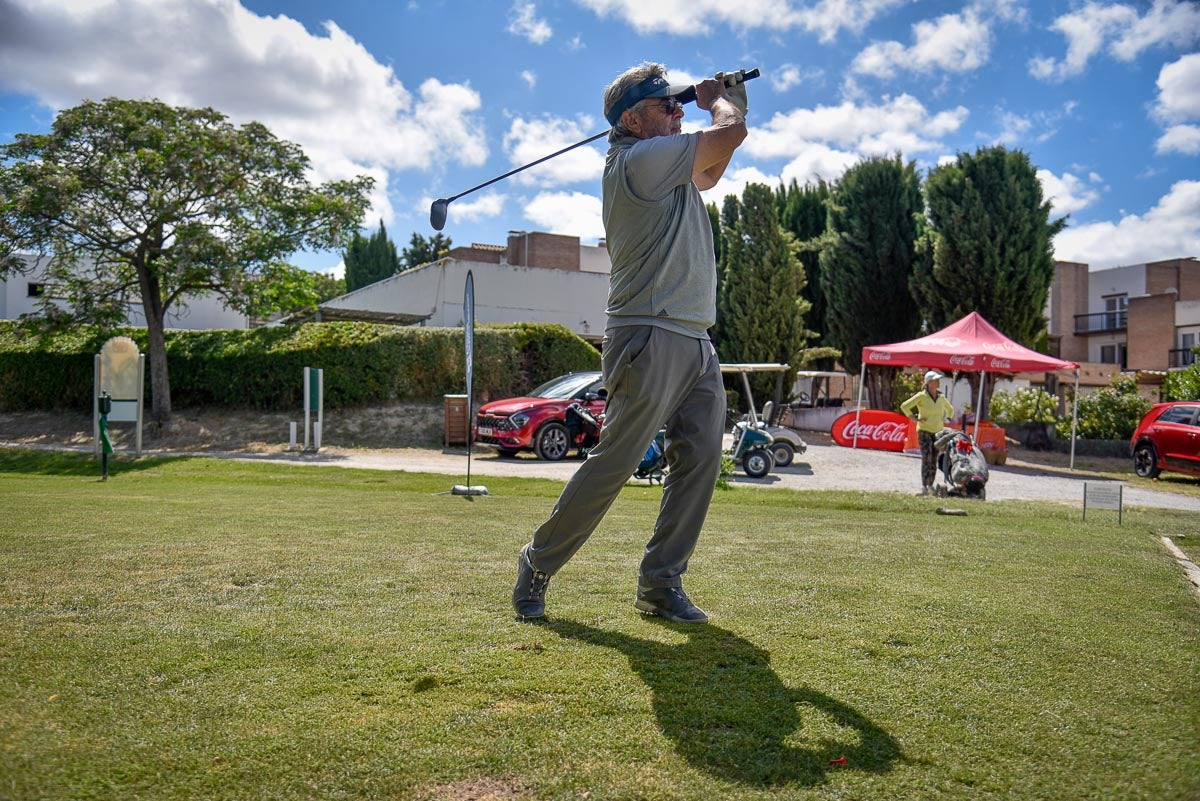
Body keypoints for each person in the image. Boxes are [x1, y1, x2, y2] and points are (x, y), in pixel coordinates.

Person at [511, 63, 748, 624]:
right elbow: (728, 133)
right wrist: (721, 102)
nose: (678, 111)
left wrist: (731, 104)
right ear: (631, 119)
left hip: (694, 335)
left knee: (700, 461)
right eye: (667, 106)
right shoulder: (639, 161)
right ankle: (538, 562)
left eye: (679, 104)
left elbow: (712, 170)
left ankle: (661, 584)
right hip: (648, 330)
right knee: (615, 462)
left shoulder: (665, 162)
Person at [900, 370, 956, 495]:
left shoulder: (941, 397)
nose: (938, 382)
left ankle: (930, 484)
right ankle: (924, 485)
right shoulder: (921, 396)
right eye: (936, 380)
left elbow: (950, 410)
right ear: (929, 383)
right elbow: (904, 406)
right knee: (927, 457)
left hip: (937, 432)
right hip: (924, 431)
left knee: (934, 458)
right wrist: (914, 418)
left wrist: (947, 418)